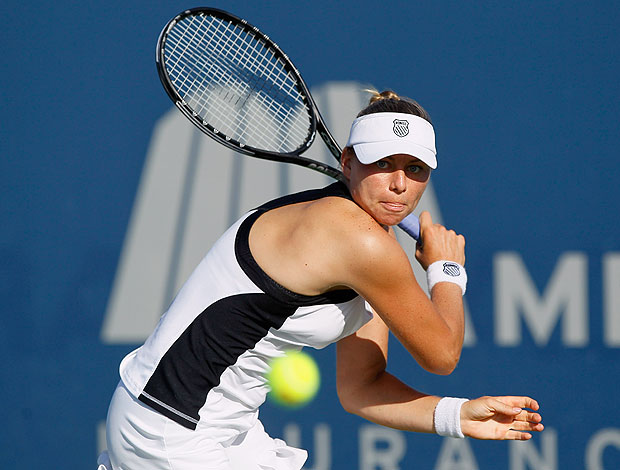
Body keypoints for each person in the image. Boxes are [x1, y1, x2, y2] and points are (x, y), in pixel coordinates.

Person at [100, 90, 543, 470]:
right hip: (169, 434)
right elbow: (442, 355)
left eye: (415, 169)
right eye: (383, 163)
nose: (398, 184)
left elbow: (360, 387)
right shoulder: (361, 243)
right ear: (348, 162)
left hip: (210, 425)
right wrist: (447, 271)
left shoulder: (371, 244)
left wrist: (457, 415)